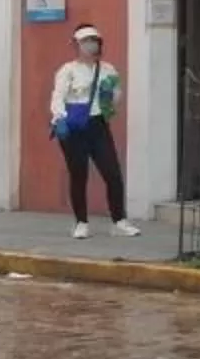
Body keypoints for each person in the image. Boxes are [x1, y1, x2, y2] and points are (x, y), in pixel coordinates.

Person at [51, 24, 138, 238]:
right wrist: (59, 118)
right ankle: (81, 222)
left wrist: (111, 95)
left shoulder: (108, 69)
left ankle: (119, 220)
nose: (92, 45)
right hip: (74, 126)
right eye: (87, 41)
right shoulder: (68, 70)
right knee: (79, 174)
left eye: (95, 41)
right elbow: (58, 96)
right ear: (77, 45)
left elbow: (116, 97)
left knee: (112, 173)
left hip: (98, 125)